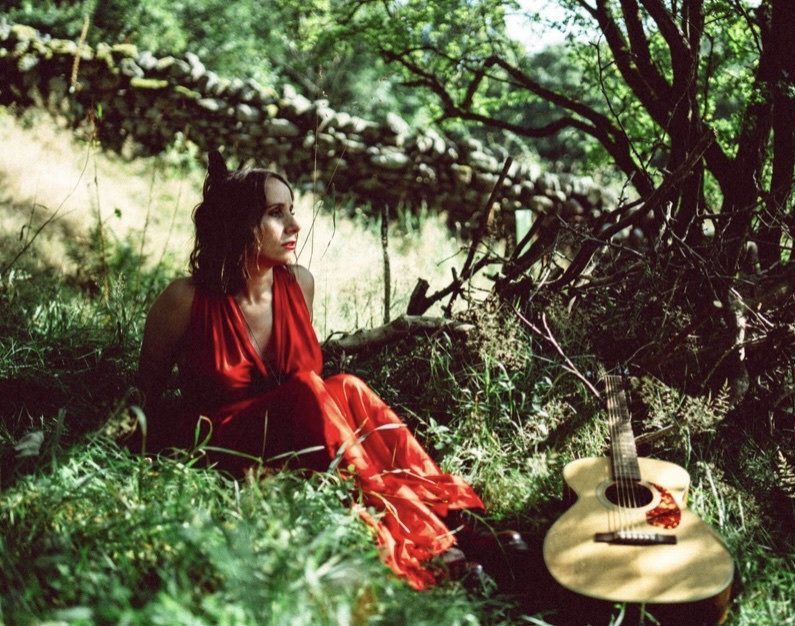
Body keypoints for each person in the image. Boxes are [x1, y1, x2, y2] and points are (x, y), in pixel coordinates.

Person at [136, 150, 523, 590]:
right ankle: (426, 541)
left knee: (347, 386)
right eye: (276, 213)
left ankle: (457, 517)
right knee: (308, 387)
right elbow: (144, 393)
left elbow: (305, 394)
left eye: (292, 210)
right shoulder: (185, 299)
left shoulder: (298, 283)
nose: (295, 225)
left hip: (295, 433)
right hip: (224, 445)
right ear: (240, 225)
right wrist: (134, 459)